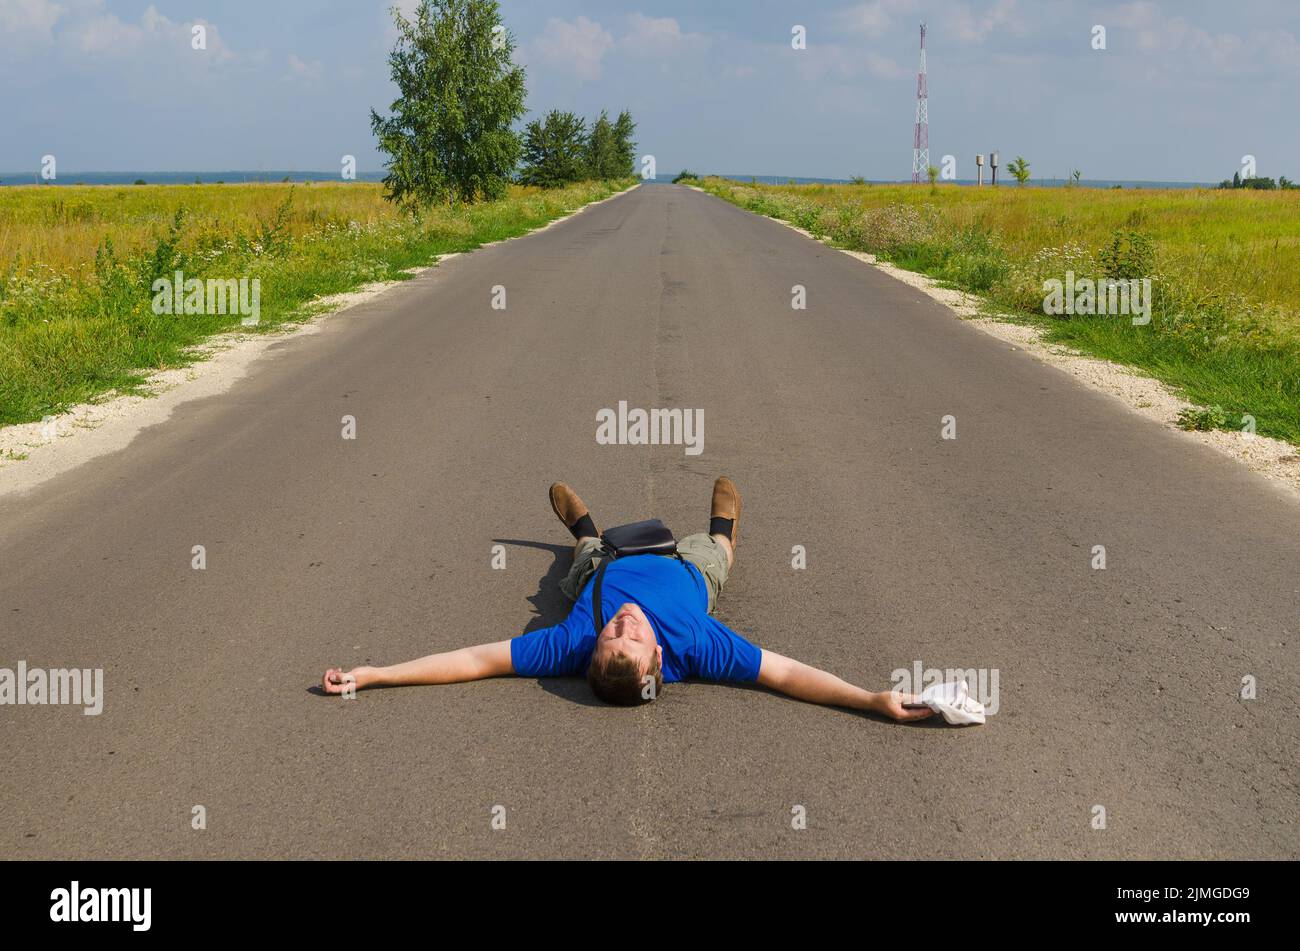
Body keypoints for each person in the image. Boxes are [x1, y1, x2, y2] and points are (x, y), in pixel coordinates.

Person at [321, 478, 933, 722]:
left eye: (613, 635)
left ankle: (584, 524)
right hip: (682, 565)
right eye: (631, 638)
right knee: (717, 554)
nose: (622, 623)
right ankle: (724, 525)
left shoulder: (571, 644)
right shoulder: (700, 646)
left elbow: (474, 661)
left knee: (585, 560)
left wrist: (374, 675)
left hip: (606, 564)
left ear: (590, 656)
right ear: (659, 663)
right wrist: (871, 699)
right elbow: (787, 674)